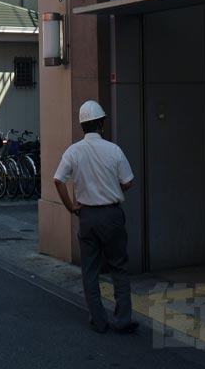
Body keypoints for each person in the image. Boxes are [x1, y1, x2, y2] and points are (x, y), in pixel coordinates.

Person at [54, 100, 137, 335]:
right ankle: (122, 320)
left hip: (87, 215)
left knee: (90, 270)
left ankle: (98, 320)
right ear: (101, 124)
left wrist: (71, 206)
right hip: (111, 214)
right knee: (118, 267)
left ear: (82, 125)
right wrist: (111, 187)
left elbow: (58, 180)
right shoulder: (114, 150)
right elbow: (128, 182)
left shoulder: (73, 151)